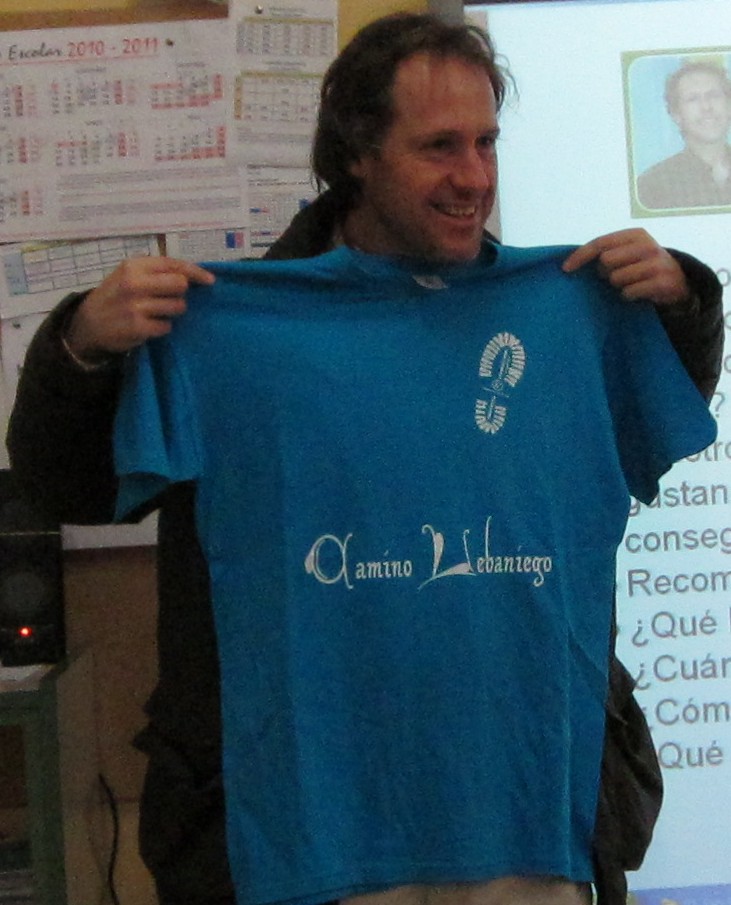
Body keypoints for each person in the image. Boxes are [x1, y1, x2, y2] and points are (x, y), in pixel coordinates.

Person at [6, 13, 723, 905]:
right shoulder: (231, 330)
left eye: (486, 143)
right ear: (355, 154)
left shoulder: (568, 310)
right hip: (300, 835)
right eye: (438, 147)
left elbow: (651, 423)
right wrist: (79, 347)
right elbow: (67, 484)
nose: (475, 177)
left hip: (529, 813)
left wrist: (685, 305)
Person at [637, 59, 731, 210]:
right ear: (676, 114)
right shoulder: (653, 185)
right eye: (692, 99)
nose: (706, 107)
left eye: (714, 95)